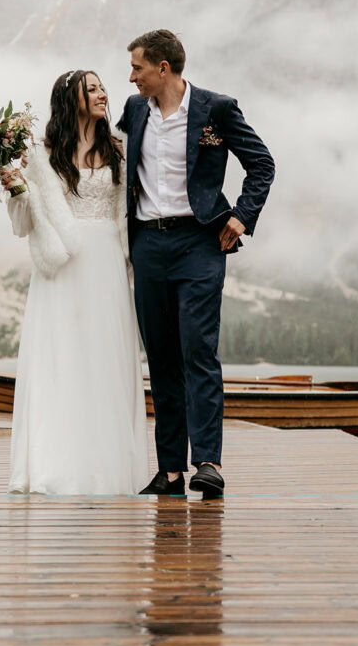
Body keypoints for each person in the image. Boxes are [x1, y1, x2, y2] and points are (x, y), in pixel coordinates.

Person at [117, 29, 275, 498]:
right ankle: (169, 472)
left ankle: (208, 463)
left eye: (138, 68)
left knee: (198, 351)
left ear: (163, 68)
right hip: (146, 245)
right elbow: (107, 159)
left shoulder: (216, 109)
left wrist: (243, 217)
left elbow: (262, 164)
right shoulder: (132, 111)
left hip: (199, 244)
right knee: (162, 359)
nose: (131, 77)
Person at [0, 69, 149, 495]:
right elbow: (24, 224)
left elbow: (127, 214)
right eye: (93, 88)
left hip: (107, 264)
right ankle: (57, 464)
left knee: (106, 358)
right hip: (62, 268)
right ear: (72, 98)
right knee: (62, 357)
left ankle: (108, 467)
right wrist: (14, 190)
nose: (104, 94)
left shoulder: (118, 149)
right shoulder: (42, 155)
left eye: (104, 88)